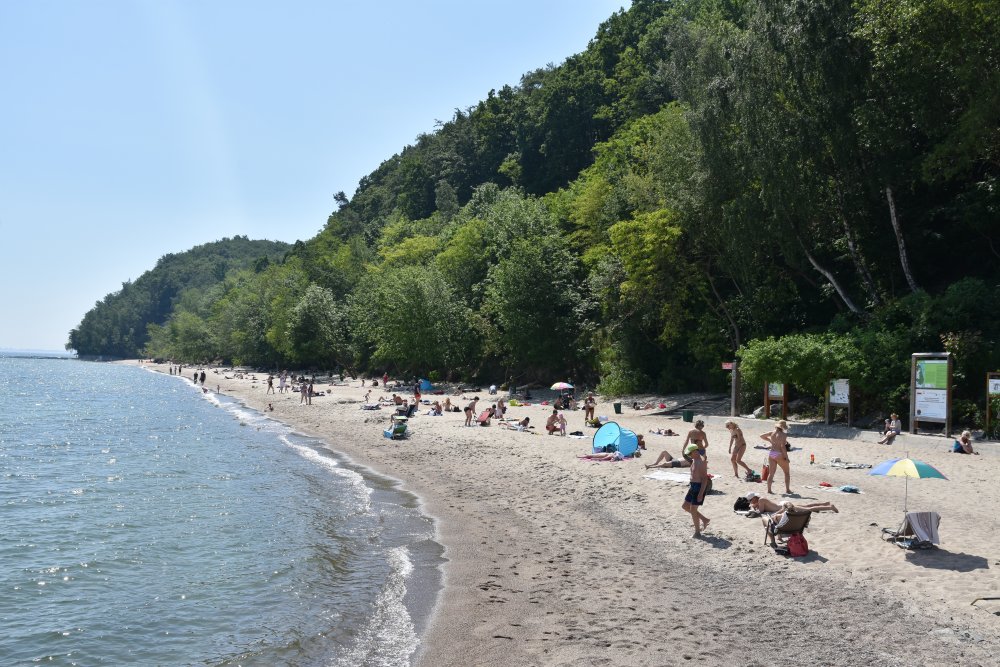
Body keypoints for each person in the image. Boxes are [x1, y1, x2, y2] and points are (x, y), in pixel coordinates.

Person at [681, 444, 710, 537]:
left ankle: (697, 532)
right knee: (685, 506)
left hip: (698, 487)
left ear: (695, 452)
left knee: (693, 509)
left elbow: (705, 479)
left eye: (690, 453)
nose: (688, 455)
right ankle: (704, 519)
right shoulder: (694, 460)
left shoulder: (700, 462)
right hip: (693, 486)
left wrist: (701, 493)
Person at [760, 420, 792, 494]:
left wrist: (770, 441)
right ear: (783, 427)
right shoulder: (783, 434)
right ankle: (787, 490)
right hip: (779, 453)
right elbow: (783, 447)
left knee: (771, 473)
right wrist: (786, 458)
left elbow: (761, 436)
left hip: (772, 453)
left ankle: (769, 490)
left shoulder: (772, 433)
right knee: (786, 473)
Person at [745, 492, 837, 514]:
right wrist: (754, 506)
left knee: (808, 509)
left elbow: (760, 512)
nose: (750, 502)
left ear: (754, 498)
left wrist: (753, 509)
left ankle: (830, 507)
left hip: (784, 506)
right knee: (806, 506)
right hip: (783, 504)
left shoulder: (761, 500)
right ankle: (825, 503)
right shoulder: (760, 499)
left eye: (750, 500)